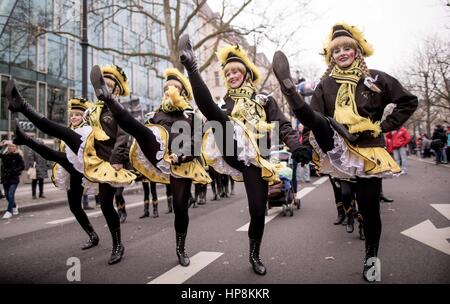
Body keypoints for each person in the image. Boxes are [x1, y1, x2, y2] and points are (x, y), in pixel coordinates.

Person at [271, 22, 418, 281]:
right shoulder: (324, 85)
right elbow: (312, 119)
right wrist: (303, 145)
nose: (341, 53)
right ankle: (289, 90)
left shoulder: (376, 78)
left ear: (356, 51)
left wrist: (382, 127)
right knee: (318, 119)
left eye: (346, 49)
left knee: (370, 208)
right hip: (336, 142)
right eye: (335, 50)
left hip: (368, 149)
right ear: (331, 56)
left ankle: (371, 257)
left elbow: (408, 101)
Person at [178, 35, 306, 275]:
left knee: (258, 211)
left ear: (246, 73)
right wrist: (186, 151)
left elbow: (283, 125)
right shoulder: (223, 103)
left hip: (256, 159)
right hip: (229, 146)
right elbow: (206, 120)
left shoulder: (264, 100)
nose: (231, 77)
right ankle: (191, 66)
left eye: (235, 72)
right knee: (216, 114)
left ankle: (254, 255)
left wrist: (295, 145)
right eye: (227, 74)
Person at [6, 65, 136, 265]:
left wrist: (118, 158)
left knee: (106, 206)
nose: (104, 90)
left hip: (107, 163)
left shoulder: (120, 111)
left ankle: (118, 245)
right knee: (62, 133)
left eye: (108, 87)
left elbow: (123, 136)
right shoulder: (92, 111)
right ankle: (22, 106)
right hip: (88, 153)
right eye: (102, 86)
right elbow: (81, 129)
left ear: (116, 91)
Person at [90, 65, 211, 266]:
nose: (168, 91)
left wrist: (181, 156)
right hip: (158, 155)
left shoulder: (192, 115)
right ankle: (108, 98)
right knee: (140, 130)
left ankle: (181, 249)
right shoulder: (157, 114)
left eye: (173, 87)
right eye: (165, 88)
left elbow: (196, 142)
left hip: (182, 164)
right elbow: (144, 135)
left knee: (180, 209)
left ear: (182, 91)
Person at [11, 98, 101, 250]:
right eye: (72, 115)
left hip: (85, 169)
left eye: (77, 115)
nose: (73, 117)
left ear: (84, 117)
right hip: (73, 172)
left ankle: (26, 139)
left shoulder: (87, 131)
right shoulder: (69, 131)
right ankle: (93, 235)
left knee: (53, 155)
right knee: (74, 206)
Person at [0, 141, 24, 219]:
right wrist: (1, 146)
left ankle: (9, 211)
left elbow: (22, 166)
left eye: (13, 146)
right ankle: (14, 206)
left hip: (14, 179)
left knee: (10, 194)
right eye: (10, 146)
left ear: (16, 148)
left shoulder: (18, 156)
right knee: (7, 196)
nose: (11, 147)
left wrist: (15, 171)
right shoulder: (5, 155)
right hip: (5, 178)